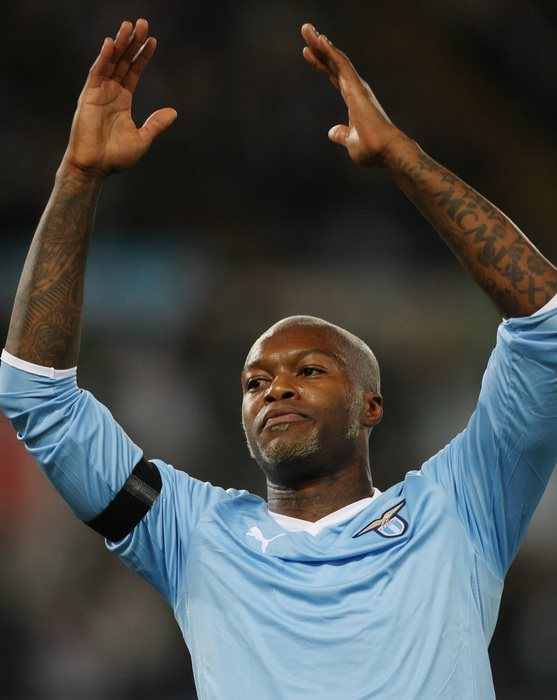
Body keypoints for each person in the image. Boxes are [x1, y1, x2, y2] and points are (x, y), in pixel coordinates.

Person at [1, 17, 556, 700]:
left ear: (371, 405)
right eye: (255, 382)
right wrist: (79, 175)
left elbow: (546, 326)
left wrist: (403, 159)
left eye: (309, 370)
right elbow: (36, 397)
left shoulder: (462, 506)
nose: (276, 390)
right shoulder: (191, 534)